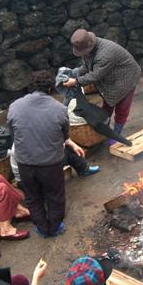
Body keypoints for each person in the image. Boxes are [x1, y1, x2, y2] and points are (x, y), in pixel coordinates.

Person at [7, 71, 90, 238]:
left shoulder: (14, 106)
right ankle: (55, 227)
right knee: (55, 196)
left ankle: (42, 229)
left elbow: (13, 133)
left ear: (30, 87)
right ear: (51, 88)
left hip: (25, 164)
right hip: (50, 164)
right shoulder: (59, 109)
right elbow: (64, 135)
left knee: (32, 197)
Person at [64, 29, 141, 143]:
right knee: (107, 106)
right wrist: (74, 73)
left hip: (127, 78)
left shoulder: (104, 55)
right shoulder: (89, 48)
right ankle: (104, 128)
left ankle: (116, 135)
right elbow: (86, 66)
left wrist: (75, 81)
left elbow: (94, 76)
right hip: (112, 76)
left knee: (121, 108)